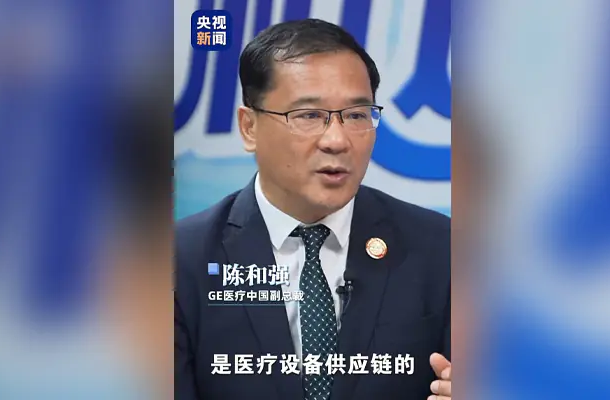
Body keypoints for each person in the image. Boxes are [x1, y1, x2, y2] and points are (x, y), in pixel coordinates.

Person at [175, 18, 451, 400]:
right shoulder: (180, 260)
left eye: (357, 115)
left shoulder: (441, 249)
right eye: (309, 116)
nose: (337, 140)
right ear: (249, 127)